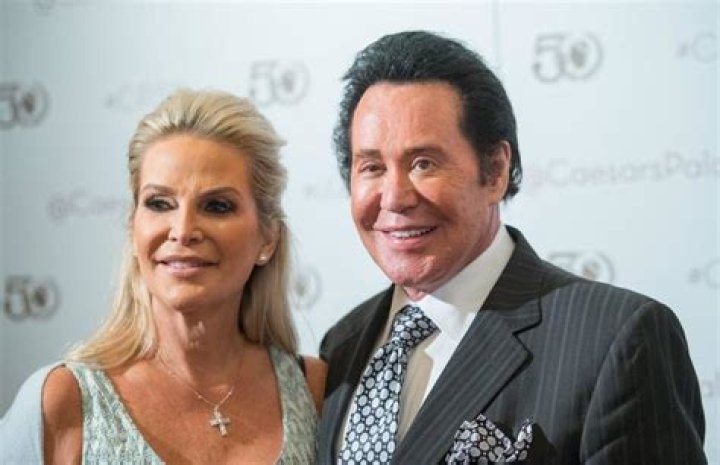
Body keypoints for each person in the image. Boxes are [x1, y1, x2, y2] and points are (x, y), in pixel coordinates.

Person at [318, 31, 706, 465]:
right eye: (372, 167)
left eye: (423, 163)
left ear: (495, 171)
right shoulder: (341, 346)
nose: (394, 198)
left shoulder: (617, 339)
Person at [0, 89, 326, 464]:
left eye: (217, 206)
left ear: (268, 238)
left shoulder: (315, 390)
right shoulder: (62, 402)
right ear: (133, 227)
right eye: (159, 203)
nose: (182, 230)